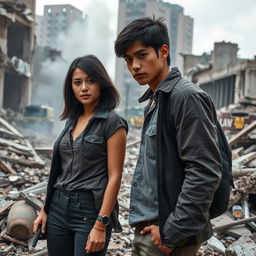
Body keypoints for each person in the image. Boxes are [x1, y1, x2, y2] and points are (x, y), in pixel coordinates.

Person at [114, 17, 222, 256]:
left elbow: (204, 171)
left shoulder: (186, 98)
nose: (134, 66)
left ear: (163, 52)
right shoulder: (156, 101)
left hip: (169, 236)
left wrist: (171, 233)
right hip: (151, 229)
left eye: (142, 55)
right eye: (129, 59)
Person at [33, 55, 128, 256]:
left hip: (89, 210)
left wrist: (101, 224)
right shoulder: (71, 121)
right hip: (58, 208)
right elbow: (60, 171)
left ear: (102, 83)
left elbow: (115, 176)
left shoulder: (112, 123)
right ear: (71, 87)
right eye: (77, 82)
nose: (84, 87)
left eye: (90, 80)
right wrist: (45, 209)